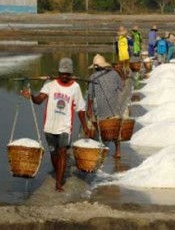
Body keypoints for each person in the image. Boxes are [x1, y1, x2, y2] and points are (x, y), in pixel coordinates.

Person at [20, 58, 91, 192]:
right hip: (49, 126)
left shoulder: (75, 87)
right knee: (54, 154)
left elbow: (80, 108)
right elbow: (39, 100)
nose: (64, 76)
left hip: (65, 127)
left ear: (71, 74)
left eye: (67, 74)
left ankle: (59, 182)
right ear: (58, 72)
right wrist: (31, 96)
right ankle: (58, 171)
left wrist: (85, 126)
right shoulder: (50, 84)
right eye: (62, 73)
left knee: (63, 152)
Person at [87, 54, 124, 158]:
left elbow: (90, 95)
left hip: (100, 108)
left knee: (98, 129)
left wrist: (89, 109)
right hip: (114, 107)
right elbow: (121, 87)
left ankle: (99, 149)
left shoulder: (93, 77)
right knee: (115, 130)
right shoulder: (114, 74)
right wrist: (120, 73)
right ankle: (118, 151)